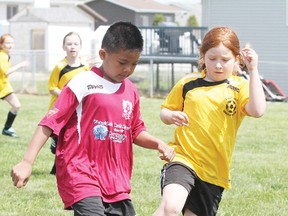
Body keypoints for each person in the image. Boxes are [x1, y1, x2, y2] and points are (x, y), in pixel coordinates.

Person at [11, 21, 175, 216]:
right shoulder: (83, 82)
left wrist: (158, 144)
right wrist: (27, 161)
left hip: (116, 179)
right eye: (123, 62)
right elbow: (49, 122)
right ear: (103, 55)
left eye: (134, 64)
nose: (128, 69)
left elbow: (135, 130)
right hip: (81, 171)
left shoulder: (130, 90)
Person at [153, 26, 266, 216]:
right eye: (212, 59)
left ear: (237, 59)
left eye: (225, 60)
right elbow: (165, 111)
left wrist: (253, 70)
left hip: (214, 171)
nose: (218, 65)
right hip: (182, 158)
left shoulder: (240, 87)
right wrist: (169, 116)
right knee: (170, 208)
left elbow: (257, 111)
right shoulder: (188, 83)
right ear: (203, 56)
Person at [48, 32, 90, 175]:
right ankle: (54, 146)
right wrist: (69, 96)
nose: (72, 47)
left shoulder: (86, 67)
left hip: (77, 109)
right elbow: (52, 87)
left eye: (75, 44)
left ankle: (59, 169)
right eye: (69, 44)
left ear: (80, 46)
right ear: (63, 46)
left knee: (71, 138)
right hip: (60, 108)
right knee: (59, 139)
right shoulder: (60, 66)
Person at [0, 33, 29, 138]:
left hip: (3, 86)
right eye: (7, 43)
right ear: (1, 44)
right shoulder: (2, 55)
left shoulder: (6, 54)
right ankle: (7, 129)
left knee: (16, 105)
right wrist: (20, 65)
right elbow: (6, 72)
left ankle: (7, 129)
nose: (10, 45)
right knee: (16, 105)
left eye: (12, 42)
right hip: (2, 86)